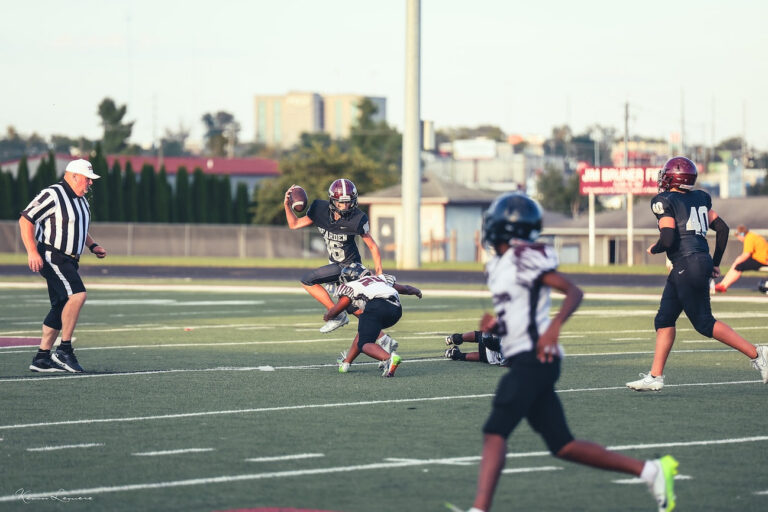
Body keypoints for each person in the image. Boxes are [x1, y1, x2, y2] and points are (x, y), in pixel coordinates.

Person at [467, 192, 678, 512]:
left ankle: (479, 509)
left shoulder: (525, 256)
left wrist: (555, 327)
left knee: (495, 431)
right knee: (562, 445)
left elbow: (572, 291)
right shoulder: (498, 264)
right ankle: (650, 471)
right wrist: (497, 325)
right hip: (529, 358)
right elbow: (521, 311)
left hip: (534, 360)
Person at [626, 157, 768, 392]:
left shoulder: (664, 200)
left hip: (686, 264)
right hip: (693, 262)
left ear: (672, 176)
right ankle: (655, 376)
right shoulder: (700, 198)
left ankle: (758, 354)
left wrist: (656, 247)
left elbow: (669, 237)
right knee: (663, 320)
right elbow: (722, 229)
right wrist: (714, 262)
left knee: (703, 323)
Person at [19, 159, 107, 373]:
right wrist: (31, 251)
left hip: (70, 259)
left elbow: (78, 227)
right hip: (52, 255)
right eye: (87, 179)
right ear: (74, 176)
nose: (90, 184)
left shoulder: (82, 200)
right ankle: (64, 350)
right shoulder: (53, 194)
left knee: (60, 305)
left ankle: (42, 357)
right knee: (77, 295)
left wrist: (92, 245)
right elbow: (26, 219)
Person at [284, 179, 383, 333]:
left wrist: (380, 273)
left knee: (307, 280)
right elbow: (294, 224)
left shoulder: (356, 219)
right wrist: (286, 206)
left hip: (350, 267)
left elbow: (372, 246)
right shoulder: (319, 210)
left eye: (348, 202)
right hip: (336, 265)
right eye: (341, 203)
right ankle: (383, 339)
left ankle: (337, 316)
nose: (345, 206)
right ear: (332, 201)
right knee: (353, 308)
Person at [329, 263, 421, 377]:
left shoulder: (353, 284)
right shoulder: (380, 279)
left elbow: (342, 304)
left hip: (376, 307)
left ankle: (388, 358)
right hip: (396, 310)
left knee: (365, 343)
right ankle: (346, 363)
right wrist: (417, 291)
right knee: (364, 332)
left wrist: (330, 315)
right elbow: (405, 289)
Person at [714, 224, 768, 292]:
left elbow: (746, 254)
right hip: (761, 259)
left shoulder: (749, 238)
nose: (739, 239)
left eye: (738, 236)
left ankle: (723, 286)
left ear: (741, 234)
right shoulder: (752, 236)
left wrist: (737, 261)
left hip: (763, 260)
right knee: (738, 266)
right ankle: (722, 284)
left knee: (739, 266)